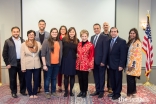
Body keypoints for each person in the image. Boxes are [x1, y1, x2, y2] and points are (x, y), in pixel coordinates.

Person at [2, 26, 27, 98]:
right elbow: (4, 53)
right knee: (12, 79)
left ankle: (22, 91)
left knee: (22, 78)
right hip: (12, 63)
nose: (16, 33)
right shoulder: (7, 41)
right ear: (12, 32)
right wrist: (7, 63)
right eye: (14, 32)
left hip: (21, 63)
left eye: (17, 31)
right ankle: (14, 92)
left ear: (19, 32)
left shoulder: (23, 40)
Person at [41, 28, 62, 99]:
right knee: (47, 78)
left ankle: (53, 91)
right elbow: (43, 54)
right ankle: (47, 91)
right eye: (53, 32)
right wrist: (44, 65)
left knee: (54, 78)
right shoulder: (46, 41)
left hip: (57, 64)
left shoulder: (59, 42)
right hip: (48, 64)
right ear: (50, 33)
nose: (54, 33)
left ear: (57, 33)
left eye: (56, 32)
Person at [107, 27, 127, 100]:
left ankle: (117, 93)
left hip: (118, 65)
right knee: (112, 80)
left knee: (118, 80)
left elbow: (123, 55)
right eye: (112, 31)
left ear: (117, 32)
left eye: (115, 31)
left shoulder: (122, 41)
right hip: (110, 65)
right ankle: (114, 91)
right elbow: (109, 54)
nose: (113, 33)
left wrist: (121, 65)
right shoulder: (109, 41)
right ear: (110, 33)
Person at [21, 30, 41, 98]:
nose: (31, 35)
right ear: (28, 35)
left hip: (37, 64)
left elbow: (41, 53)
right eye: (30, 34)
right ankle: (30, 93)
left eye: (33, 34)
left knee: (36, 79)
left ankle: (35, 93)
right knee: (28, 80)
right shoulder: (23, 44)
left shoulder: (38, 43)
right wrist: (23, 67)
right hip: (27, 65)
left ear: (35, 35)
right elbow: (22, 57)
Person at [90, 23, 109, 98]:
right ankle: (97, 90)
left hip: (101, 61)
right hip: (94, 61)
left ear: (100, 29)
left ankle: (101, 91)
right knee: (96, 76)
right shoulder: (92, 37)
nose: (96, 30)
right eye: (94, 28)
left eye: (97, 28)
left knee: (101, 76)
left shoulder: (104, 37)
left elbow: (105, 50)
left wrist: (103, 61)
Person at [76, 29, 94, 98]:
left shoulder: (90, 45)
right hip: (78, 64)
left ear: (87, 36)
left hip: (86, 65)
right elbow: (77, 52)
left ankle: (84, 92)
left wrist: (90, 66)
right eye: (82, 36)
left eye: (85, 36)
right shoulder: (79, 44)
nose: (84, 37)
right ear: (81, 36)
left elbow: (91, 56)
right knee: (80, 79)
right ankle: (81, 91)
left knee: (85, 79)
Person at [61, 27, 79, 97]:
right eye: (70, 32)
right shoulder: (64, 39)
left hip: (73, 60)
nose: (72, 33)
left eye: (73, 32)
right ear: (68, 32)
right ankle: (66, 91)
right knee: (66, 76)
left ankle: (71, 91)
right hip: (65, 59)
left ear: (75, 33)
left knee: (72, 76)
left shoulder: (77, 40)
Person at [126, 28, 142, 98]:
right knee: (131, 79)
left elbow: (136, 55)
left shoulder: (137, 43)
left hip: (133, 64)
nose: (132, 34)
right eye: (131, 33)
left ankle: (130, 93)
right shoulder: (131, 41)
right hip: (129, 63)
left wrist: (132, 65)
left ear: (136, 34)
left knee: (130, 79)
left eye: (133, 33)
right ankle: (132, 92)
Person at [35, 19, 49, 93]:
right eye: (40, 24)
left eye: (43, 24)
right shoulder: (34, 34)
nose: (42, 25)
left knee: (45, 71)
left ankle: (46, 87)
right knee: (37, 72)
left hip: (45, 56)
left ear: (45, 25)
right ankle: (38, 86)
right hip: (36, 55)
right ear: (38, 25)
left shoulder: (48, 34)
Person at [102, 22, 112, 93]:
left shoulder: (111, 35)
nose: (105, 26)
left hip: (109, 58)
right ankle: (101, 87)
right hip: (102, 58)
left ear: (109, 26)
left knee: (110, 73)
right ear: (103, 27)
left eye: (107, 25)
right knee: (102, 74)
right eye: (104, 25)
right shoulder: (100, 35)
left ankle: (110, 87)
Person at [57, 25, 67, 92]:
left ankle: (66, 86)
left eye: (64, 29)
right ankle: (59, 86)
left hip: (66, 57)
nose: (63, 30)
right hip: (58, 57)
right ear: (60, 30)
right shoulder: (57, 37)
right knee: (59, 72)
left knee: (66, 72)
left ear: (66, 30)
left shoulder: (68, 37)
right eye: (61, 29)